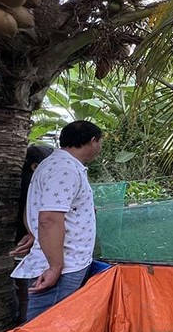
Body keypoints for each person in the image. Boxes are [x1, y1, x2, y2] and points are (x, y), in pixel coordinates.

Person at [9, 121, 103, 321]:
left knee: (52, 326)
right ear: (93, 141)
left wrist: (34, 234)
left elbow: (33, 209)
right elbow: (49, 219)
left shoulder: (53, 164)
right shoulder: (65, 168)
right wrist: (55, 266)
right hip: (63, 265)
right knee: (46, 329)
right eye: (101, 142)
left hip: (62, 261)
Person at [12, 144, 54, 323]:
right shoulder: (34, 182)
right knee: (31, 287)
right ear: (35, 166)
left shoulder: (22, 180)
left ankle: (21, 318)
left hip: (20, 238)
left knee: (21, 286)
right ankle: (26, 321)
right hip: (30, 241)